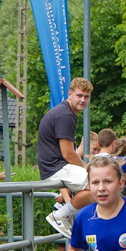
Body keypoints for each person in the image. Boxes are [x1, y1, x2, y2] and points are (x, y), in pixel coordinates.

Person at [39, 77, 95, 238]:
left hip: (55, 165)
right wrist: (87, 169)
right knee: (97, 186)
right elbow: (68, 154)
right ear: (69, 94)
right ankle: (61, 215)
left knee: (97, 185)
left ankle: (66, 215)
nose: (83, 100)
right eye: (79, 95)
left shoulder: (66, 112)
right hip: (55, 167)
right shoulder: (65, 115)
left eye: (86, 96)